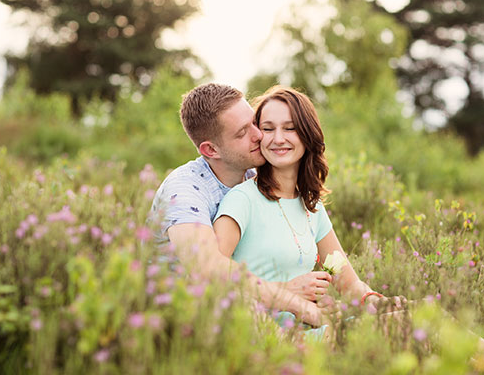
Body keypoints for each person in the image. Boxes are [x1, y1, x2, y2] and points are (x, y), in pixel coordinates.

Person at [212, 86, 405, 325]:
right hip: (272, 340)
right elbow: (211, 275)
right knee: (406, 327)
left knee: (421, 317)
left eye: (290, 128)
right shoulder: (242, 200)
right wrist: (286, 291)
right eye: (268, 129)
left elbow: (348, 282)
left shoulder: (311, 206)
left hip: (315, 329)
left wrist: (377, 301)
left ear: (307, 134)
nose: (278, 138)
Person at [148, 83, 329, 327]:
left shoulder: (251, 176)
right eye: (242, 132)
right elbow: (208, 270)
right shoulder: (184, 191)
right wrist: (290, 298)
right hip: (170, 320)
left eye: (254, 123)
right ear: (211, 149)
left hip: (230, 307)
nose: (259, 135)